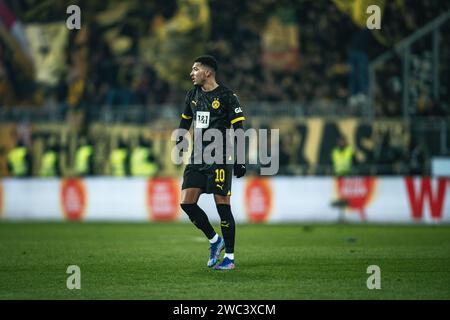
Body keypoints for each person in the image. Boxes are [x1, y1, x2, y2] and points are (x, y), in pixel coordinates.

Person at [176, 55, 246, 270]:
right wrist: (180, 137)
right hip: (198, 157)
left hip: (220, 157)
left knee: (222, 207)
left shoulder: (227, 96)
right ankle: (215, 241)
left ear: (208, 72)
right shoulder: (193, 94)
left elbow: (239, 128)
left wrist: (240, 160)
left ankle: (230, 259)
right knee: (186, 203)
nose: (191, 73)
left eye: (195, 69)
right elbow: (186, 119)